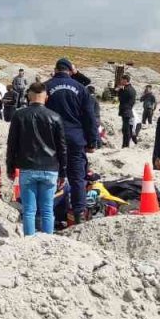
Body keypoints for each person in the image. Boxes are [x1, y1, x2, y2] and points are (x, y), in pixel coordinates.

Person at [7, 82, 67, 236]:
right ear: (46, 96)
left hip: (27, 167)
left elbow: (12, 144)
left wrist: (10, 167)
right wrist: (63, 172)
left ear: (29, 95)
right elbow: (62, 148)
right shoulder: (55, 117)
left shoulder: (19, 115)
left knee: (29, 210)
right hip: (50, 168)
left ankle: (29, 240)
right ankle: (48, 240)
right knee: (47, 209)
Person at [45, 58, 99, 224]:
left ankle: (47, 212)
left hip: (51, 139)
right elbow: (90, 118)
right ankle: (79, 214)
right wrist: (92, 141)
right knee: (77, 178)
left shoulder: (46, 86)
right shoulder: (81, 89)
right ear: (70, 70)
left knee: (50, 176)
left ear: (55, 69)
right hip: (75, 138)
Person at [117, 75, 137, 148]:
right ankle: (125, 144)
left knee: (126, 129)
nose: (120, 81)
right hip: (128, 109)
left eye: (122, 80)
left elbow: (121, 99)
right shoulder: (131, 88)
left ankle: (126, 145)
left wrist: (120, 90)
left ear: (125, 80)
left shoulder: (127, 89)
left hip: (126, 110)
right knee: (126, 129)